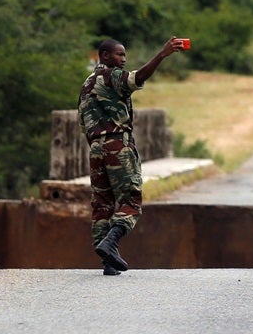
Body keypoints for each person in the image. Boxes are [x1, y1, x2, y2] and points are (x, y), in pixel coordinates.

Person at [78, 36, 188, 275]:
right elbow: (137, 78)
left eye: (124, 55)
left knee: (102, 204)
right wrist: (162, 54)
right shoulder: (110, 75)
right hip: (118, 144)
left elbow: (84, 123)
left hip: (96, 149)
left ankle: (107, 261)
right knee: (130, 199)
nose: (123, 59)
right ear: (105, 56)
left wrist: (98, 145)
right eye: (119, 55)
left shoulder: (87, 83)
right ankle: (111, 242)